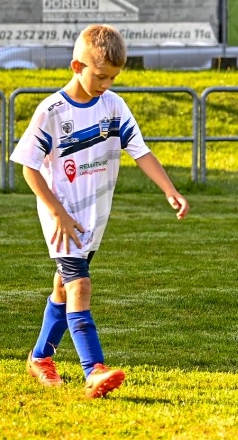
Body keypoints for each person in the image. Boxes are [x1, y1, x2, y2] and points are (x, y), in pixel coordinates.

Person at [11, 24, 189, 399]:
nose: (106, 84)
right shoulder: (53, 111)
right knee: (79, 285)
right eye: (101, 76)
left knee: (62, 286)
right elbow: (28, 167)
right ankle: (93, 370)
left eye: (113, 77)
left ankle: (40, 356)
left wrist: (170, 190)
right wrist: (57, 211)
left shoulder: (113, 105)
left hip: (95, 217)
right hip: (62, 218)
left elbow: (140, 151)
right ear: (77, 66)